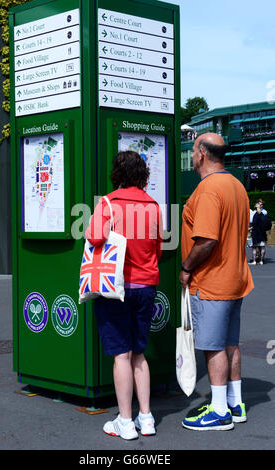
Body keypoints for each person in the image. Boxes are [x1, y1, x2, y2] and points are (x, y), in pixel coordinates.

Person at [85, 151, 162, 440]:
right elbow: (156, 247)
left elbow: (93, 237)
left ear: (116, 173)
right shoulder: (154, 206)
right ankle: (147, 417)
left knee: (121, 355)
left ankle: (126, 422)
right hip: (146, 287)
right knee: (139, 353)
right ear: (143, 173)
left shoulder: (108, 203)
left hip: (114, 287)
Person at [179, 133, 254, 431]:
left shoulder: (209, 189)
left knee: (213, 347)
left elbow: (207, 239)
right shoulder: (237, 185)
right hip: (236, 278)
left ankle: (219, 410)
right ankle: (235, 403)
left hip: (212, 281)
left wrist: (186, 267)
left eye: (194, 150)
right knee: (230, 343)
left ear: (201, 154)